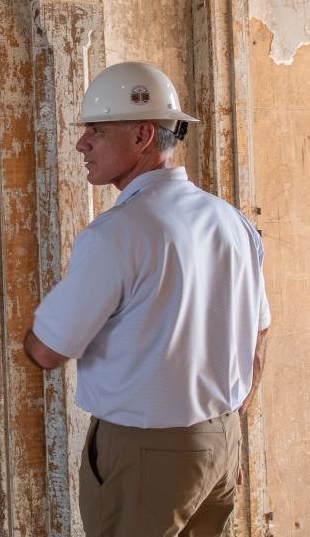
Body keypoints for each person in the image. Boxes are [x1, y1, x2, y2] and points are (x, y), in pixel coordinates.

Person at [23, 61, 270, 537]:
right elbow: (260, 333)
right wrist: (222, 432)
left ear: (141, 136)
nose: (81, 143)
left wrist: (28, 340)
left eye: (95, 129)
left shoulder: (116, 234)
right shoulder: (231, 222)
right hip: (221, 442)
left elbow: (49, 350)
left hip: (145, 453)